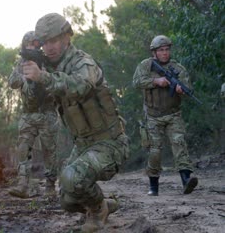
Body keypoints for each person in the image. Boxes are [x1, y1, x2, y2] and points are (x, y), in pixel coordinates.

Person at [22, 13, 130, 232]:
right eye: (45, 43)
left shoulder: (83, 62)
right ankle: (103, 204)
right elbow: (33, 104)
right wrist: (32, 81)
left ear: (67, 37)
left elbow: (81, 86)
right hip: (83, 145)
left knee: (73, 179)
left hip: (109, 142)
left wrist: (43, 77)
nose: (49, 47)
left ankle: (98, 212)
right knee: (68, 200)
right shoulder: (48, 68)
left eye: (54, 40)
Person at [133, 35, 198, 196]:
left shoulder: (178, 68)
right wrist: (156, 82)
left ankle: (186, 180)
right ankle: (153, 186)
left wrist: (181, 90)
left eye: (167, 50)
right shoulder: (146, 66)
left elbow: (188, 87)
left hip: (173, 114)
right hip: (153, 116)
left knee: (179, 143)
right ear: (154, 52)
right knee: (155, 151)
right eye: (161, 50)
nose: (165, 53)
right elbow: (136, 82)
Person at [7, 31, 59, 199]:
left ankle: (50, 186)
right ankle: (23, 183)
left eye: (34, 44)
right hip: (28, 114)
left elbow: (57, 82)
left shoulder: (48, 61)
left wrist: (41, 73)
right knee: (23, 148)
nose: (31, 47)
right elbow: (12, 82)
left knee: (49, 150)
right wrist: (24, 75)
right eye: (28, 44)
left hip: (47, 113)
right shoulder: (21, 63)